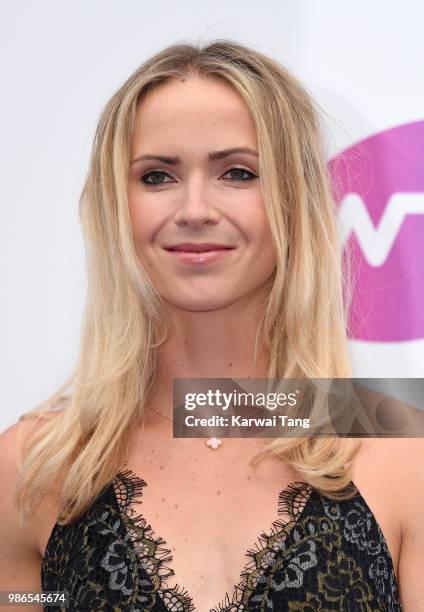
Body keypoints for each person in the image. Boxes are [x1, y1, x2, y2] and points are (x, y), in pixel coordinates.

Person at [0, 39, 422, 611]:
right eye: (157, 177)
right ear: (115, 207)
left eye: (238, 172)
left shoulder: (402, 453)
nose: (194, 208)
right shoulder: (34, 467)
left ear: (296, 199)